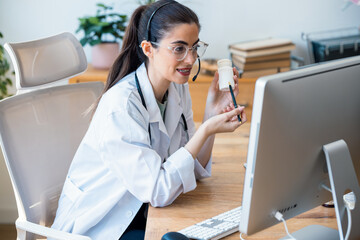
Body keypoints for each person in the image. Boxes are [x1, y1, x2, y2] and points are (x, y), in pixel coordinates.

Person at [51, 0, 247, 239]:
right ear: (147, 49)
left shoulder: (176, 88)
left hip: (142, 211)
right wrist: (205, 130)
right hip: (102, 224)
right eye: (179, 48)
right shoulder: (121, 106)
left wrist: (211, 113)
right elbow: (159, 190)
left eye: (195, 47)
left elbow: (192, 168)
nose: (190, 59)